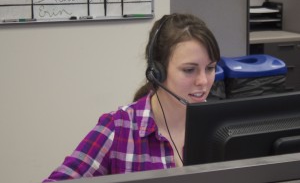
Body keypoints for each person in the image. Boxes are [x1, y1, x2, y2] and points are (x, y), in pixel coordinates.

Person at [43, 13, 220, 182]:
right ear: (157, 71)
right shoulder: (119, 127)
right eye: (189, 70)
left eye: (210, 68)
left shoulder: (221, 126)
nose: (203, 81)